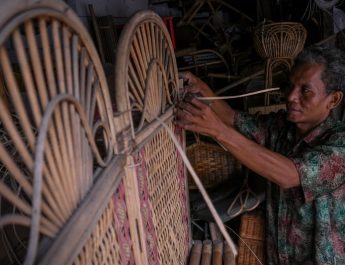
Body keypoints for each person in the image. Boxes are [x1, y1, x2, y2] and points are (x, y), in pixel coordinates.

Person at [175, 44, 345, 264]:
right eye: (291, 86)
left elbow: (289, 175)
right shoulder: (282, 128)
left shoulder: (339, 145)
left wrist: (216, 130)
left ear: (333, 100)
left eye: (305, 91)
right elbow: (234, 120)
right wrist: (202, 89)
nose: (291, 96)